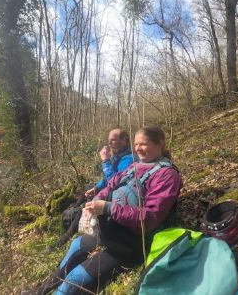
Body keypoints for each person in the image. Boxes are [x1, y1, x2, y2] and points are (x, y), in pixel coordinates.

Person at [28, 126, 181, 295]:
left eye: (143, 144)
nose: (138, 148)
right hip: (111, 230)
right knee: (76, 244)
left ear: (160, 144)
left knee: (76, 277)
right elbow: (111, 183)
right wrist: (96, 199)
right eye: (136, 144)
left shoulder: (166, 175)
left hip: (132, 243)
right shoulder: (136, 166)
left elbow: (150, 217)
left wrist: (108, 208)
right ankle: (42, 290)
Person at [88, 129, 136, 197]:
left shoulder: (130, 159)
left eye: (113, 140)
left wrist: (106, 161)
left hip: (120, 197)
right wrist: (97, 187)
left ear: (124, 141)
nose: (109, 143)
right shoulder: (116, 157)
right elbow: (106, 178)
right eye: (109, 140)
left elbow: (116, 183)